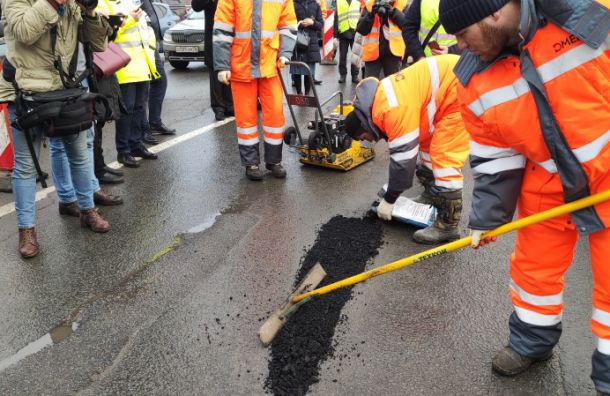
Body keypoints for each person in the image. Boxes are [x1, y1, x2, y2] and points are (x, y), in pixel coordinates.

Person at [438, 0, 610, 393]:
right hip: (547, 178)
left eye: (464, 34)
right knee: (533, 271)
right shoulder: (473, 80)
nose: (460, 46)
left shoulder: (586, 17)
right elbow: (494, 155)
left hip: (608, 172)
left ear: (494, 13)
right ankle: (532, 343)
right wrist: (485, 218)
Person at [1, 0, 112, 258]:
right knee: (26, 167)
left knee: (79, 155)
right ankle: (26, 230)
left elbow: (98, 45)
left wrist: (91, 11)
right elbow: (25, 32)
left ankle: (87, 210)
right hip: (26, 93)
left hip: (66, 91)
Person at [344, 54, 468, 243]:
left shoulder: (389, 110)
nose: (370, 141)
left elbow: (403, 162)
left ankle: (448, 225)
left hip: (459, 93)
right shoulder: (377, 102)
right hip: (446, 93)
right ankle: (432, 195)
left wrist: (389, 200)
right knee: (426, 149)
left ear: (363, 126)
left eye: (364, 138)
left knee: (445, 159)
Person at [213, 0, 297, 180]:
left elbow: (287, 26)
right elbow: (222, 29)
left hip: (271, 65)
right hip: (241, 65)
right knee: (246, 118)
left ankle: (274, 161)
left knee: (275, 115)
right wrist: (222, 65)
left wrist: (285, 54)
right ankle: (251, 163)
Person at [97, 0, 160, 169]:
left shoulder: (130, 1)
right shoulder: (103, 4)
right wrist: (129, 19)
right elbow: (108, 34)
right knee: (127, 110)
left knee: (140, 107)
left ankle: (136, 143)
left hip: (142, 63)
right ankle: (123, 150)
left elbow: (145, 29)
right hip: (123, 66)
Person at [192, 0, 235, 121]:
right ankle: (218, 108)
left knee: (229, 71)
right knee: (215, 73)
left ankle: (229, 105)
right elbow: (196, 6)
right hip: (213, 37)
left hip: (230, 37)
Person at [141, 0, 176, 142]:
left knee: (160, 81)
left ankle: (154, 123)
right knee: (141, 88)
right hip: (139, 44)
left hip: (150, 42)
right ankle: (143, 129)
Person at [356, 0, 408, 78]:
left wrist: (393, 12)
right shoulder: (370, 4)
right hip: (372, 53)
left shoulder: (402, 4)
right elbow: (361, 29)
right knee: (371, 85)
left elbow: (408, 26)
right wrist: (371, 14)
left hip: (393, 54)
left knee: (393, 86)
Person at [290, 0, 324, 96]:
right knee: (296, 70)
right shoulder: (293, 4)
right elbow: (289, 23)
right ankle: (299, 95)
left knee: (308, 72)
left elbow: (321, 24)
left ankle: (307, 95)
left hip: (311, 43)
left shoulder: (315, 5)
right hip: (297, 42)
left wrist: (312, 22)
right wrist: (301, 24)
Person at [334, 0, 361, 83]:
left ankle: (355, 75)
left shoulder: (357, 2)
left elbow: (361, 17)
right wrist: (335, 35)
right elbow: (336, 19)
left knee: (355, 56)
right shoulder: (339, 2)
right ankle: (343, 75)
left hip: (355, 32)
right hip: (343, 32)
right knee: (342, 56)